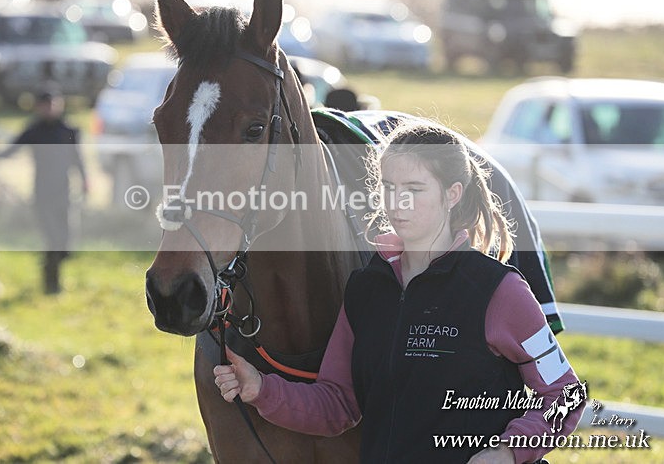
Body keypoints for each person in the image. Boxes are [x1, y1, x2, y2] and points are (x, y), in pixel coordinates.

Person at [214, 119, 584, 463]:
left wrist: (507, 452)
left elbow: (566, 394)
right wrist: (261, 389)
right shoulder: (365, 289)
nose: (397, 203)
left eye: (414, 189)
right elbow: (338, 404)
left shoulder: (499, 291)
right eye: (389, 188)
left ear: (452, 194)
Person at [0, 88, 88, 294]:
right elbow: (11, 150)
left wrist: (84, 180)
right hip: (42, 195)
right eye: (45, 105)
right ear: (38, 107)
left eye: (53, 104)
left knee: (64, 243)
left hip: (64, 193)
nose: (49, 108)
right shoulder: (34, 130)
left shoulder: (69, 130)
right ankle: (51, 286)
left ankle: (52, 277)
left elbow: (77, 158)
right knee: (52, 240)